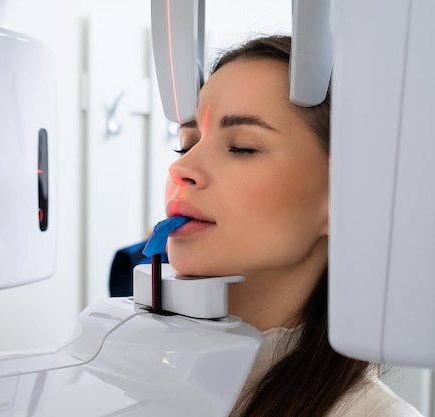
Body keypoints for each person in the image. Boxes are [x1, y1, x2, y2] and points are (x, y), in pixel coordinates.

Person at [164, 35, 422, 417]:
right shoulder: (141, 378)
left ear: (345, 200)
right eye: (186, 145)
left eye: (242, 147)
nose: (180, 169)